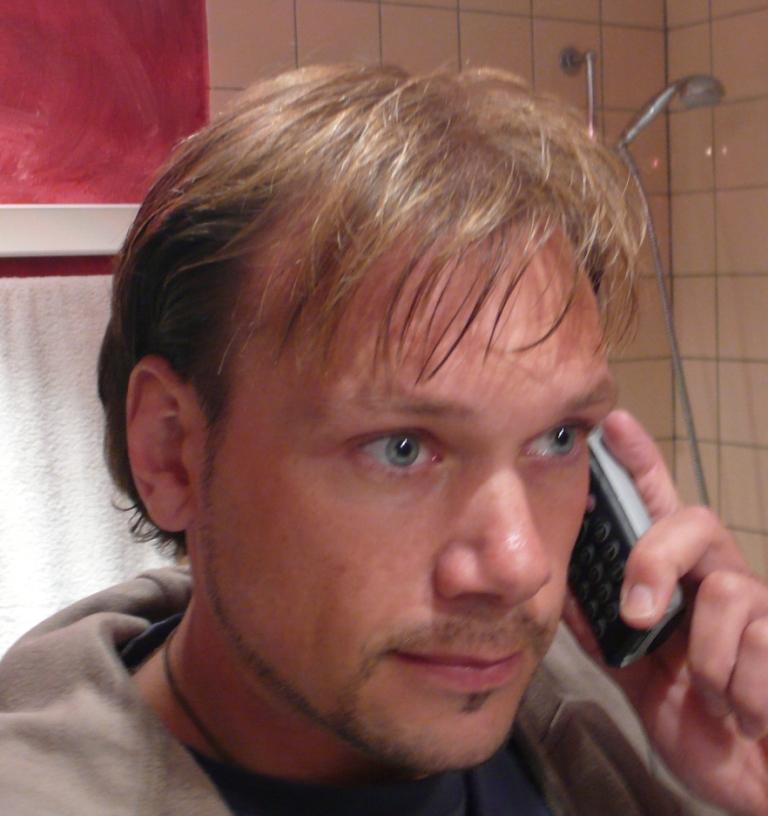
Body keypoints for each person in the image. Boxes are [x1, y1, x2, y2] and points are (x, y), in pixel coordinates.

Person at [1, 64, 766, 816]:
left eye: (558, 438)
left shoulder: (616, 711)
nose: (519, 567)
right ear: (172, 453)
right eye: (401, 448)